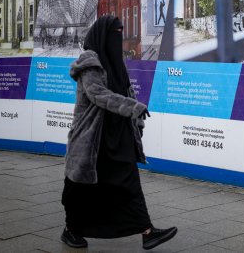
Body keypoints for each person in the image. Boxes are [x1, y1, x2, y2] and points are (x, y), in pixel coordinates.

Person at [61, 16, 177, 249]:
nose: (119, 38)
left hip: (117, 134)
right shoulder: (89, 62)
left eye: (121, 33)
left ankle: (147, 231)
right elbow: (99, 95)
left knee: (129, 181)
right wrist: (133, 108)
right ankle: (71, 230)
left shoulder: (115, 62)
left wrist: (138, 123)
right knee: (82, 188)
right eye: (116, 33)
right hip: (92, 138)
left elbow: (127, 91)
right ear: (103, 34)